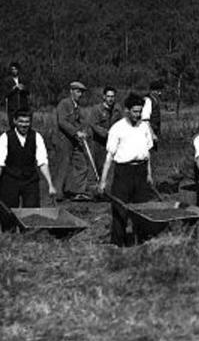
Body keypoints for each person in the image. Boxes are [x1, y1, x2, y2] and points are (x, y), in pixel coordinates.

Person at [98, 93, 155, 247]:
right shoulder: (117, 129)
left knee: (142, 208)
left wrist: (149, 174)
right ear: (127, 111)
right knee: (120, 209)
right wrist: (103, 182)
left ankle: (141, 242)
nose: (138, 115)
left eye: (140, 111)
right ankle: (117, 244)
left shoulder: (144, 127)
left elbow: (147, 154)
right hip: (124, 172)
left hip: (141, 171)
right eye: (135, 111)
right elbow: (109, 157)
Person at [0, 109, 58, 231]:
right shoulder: (5, 138)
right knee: (7, 212)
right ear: (15, 121)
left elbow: (42, 162)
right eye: (21, 121)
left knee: (31, 212)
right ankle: (8, 238)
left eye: (27, 122)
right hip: (10, 179)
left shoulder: (36, 137)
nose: (24, 125)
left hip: (30, 179)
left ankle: (28, 238)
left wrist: (50, 184)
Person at [54, 81, 96, 201]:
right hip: (63, 140)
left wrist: (85, 131)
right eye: (78, 91)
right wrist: (76, 132)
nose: (80, 94)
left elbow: (81, 122)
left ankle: (78, 191)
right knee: (63, 166)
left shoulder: (78, 107)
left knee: (82, 163)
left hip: (75, 140)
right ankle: (57, 194)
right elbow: (62, 122)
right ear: (71, 91)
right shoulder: (64, 104)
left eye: (82, 92)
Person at [88, 86, 123, 171]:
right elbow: (94, 124)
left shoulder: (117, 109)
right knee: (100, 166)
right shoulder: (97, 109)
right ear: (104, 97)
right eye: (108, 96)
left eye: (112, 96)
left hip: (114, 143)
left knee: (113, 166)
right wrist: (107, 134)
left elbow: (121, 124)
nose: (110, 99)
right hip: (100, 144)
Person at [5, 61, 30, 125]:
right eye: (12, 69)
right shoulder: (7, 81)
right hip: (12, 107)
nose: (14, 71)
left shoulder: (23, 79)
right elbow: (5, 94)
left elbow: (28, 91)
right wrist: (13, 88)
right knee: (12, 124)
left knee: (22, 124)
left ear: (18, 69)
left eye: (15, 69)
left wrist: (23, 88)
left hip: (22, 107)